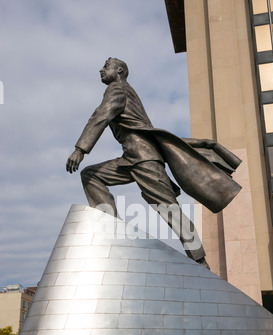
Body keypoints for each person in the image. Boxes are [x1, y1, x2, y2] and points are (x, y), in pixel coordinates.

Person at [66, 58, 242, 269]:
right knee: (91, 175)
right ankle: (113, 231)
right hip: (132, 158)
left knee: (169, 210)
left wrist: (80, 149)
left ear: (119, 71)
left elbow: (101, 116)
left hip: (144, 159)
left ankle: (200, 261)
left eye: (106, 67)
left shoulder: (117, 89)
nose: (101, 70)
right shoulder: (124, 90)